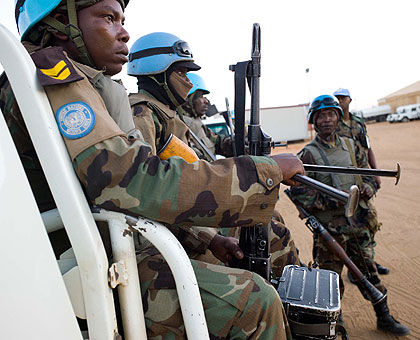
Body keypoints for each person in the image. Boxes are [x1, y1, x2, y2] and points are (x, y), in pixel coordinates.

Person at [2, 2, 305, 339]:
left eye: (122, 19)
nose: (124, 31)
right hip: (88, 261)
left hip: (112, 243)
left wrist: (204, 237)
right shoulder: (50, 76)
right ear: (61, 22)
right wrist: (260, 173)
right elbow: (131, 181)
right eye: (108, 18)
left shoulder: (72, 82)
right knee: (254, 305)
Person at [128, 42, 300, 278]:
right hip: (180, 221)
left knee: (268, 220)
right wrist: (209, 237)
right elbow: (154, 189)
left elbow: (213, 146)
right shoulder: (142, 114)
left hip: (192, 209)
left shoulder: (167, 116)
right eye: (181, 73)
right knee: (272, 233)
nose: (188, 82)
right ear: (157, 72)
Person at [289, 95, 410, 336]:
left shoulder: (351, 145)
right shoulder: (308, 155)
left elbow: (368, 174)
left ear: (337, 117)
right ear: (313, 120)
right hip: (330, 231)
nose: (326, 120)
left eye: (331, 114)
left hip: (358, 225)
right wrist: (334, 198)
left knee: (368, 273)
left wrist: (368, 188)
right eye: (321, 116)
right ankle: (335, 325)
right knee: (330, 283)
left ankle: (384, 317)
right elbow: (299, 193)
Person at [333, 88, 389, 276]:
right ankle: (355, 266)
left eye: (343, 98)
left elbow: (368, 148)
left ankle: (368, 260)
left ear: (350, 100)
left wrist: (375, 174)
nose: (340, 101)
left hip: (363, 173)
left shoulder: (358, 123)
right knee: (349, 222)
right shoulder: (334, 124)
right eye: (337, 98)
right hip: (346, 177)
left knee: (368, 220)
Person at [177, 72, 233, 161]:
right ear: (187, 100)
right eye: (200, 96)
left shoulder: (197, 124)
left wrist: (237, 144)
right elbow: (198, 164)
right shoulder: (179, 126)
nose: (206, 101)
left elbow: (218, 143)